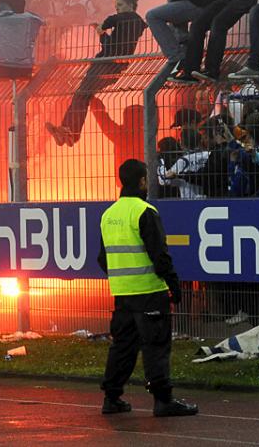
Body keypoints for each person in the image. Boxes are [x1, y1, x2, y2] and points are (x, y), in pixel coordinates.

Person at [97, 158, 197, 418]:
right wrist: (174, 285)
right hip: (149, 292)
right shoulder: (145, 211)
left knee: (123, 346)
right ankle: (163, 400)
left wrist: (121, 277)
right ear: (142, 181)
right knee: (156, 346)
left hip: (122, 293)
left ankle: (111, 397)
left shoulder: (109, 215)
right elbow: (159, 255)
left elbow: (102, 258)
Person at [45, 0, 146, 146]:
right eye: (116, 6)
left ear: (131, 5)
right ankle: (69, 132)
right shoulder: (126, 22)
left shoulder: (133, 20)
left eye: (120, 5)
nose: (117, 9)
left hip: (108, 67)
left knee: (82, 95)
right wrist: (102, 34)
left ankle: (69, 131)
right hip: (106, 64)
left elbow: (113, 21)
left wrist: (103, 26)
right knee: (82, 95)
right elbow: (110, 46)